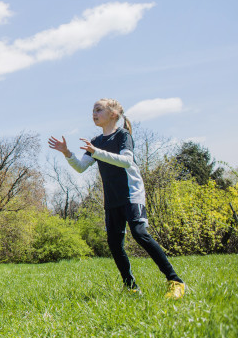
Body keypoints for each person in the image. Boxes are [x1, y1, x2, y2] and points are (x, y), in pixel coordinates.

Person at [48, 98, 185, 299]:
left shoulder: (123, 135)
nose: (93, 113)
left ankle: (175, 281)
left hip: (131, 194)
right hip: (112, 198)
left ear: (113, 114)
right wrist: (67, 152)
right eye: (92, 110)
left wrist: (97, 152)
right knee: (114, 242)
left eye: (98, 110)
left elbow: (126, 161)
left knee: (139, 234)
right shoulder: (95, 142)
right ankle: (130, 287)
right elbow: (80, 167)